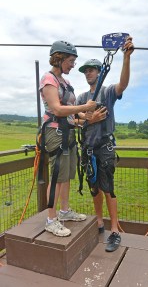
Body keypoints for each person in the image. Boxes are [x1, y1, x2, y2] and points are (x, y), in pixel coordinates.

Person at [76, 36, 134, 252]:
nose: (88, 73)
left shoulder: (108, 92)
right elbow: (74, 119)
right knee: (94, 187)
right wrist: (88, 118)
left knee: (108, 188)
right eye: (85, 70)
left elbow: (123, 84)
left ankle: (115, 230)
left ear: (100, 71)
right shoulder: (82, 97)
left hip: (105, 147)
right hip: (88, 148)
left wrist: (126, 59)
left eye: (91, 69)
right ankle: (99, 221)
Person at [39, 40, 97, 237]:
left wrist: (84, 118)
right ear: (60, 58)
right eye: (71, 61)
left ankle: (64, 211)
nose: (73, 65)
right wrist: (84, 108)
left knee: (66, 175)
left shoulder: (66, 82)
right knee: (57, 176)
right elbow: (56, 109)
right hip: (55, 132)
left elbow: (70, 114)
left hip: (69, 132)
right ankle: (51, 219)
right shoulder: (49, 79)